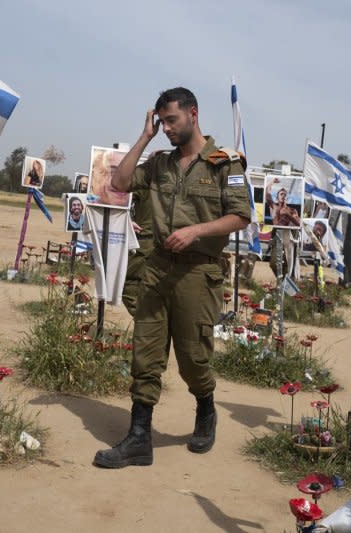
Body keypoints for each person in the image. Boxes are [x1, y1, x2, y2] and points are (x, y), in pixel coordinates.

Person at [93, 87, 250, 468]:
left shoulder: (222, 163)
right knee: (145, 354)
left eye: (171, 121)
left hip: (198, 272)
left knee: (194, 357)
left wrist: (196, 231)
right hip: (156, 268)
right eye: (161, 122)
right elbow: (120, 183)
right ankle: (139, 437)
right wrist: (144, 137)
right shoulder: (160, 162)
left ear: (193, 115)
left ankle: (206, 409)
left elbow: (241, 216)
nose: (165, 128)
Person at [121, 188, 153, 316]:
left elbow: (115, 195)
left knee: (130, 285)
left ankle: (147, 327)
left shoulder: (147, 174)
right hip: (181, 242)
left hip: (147, 241)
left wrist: (125, 220)